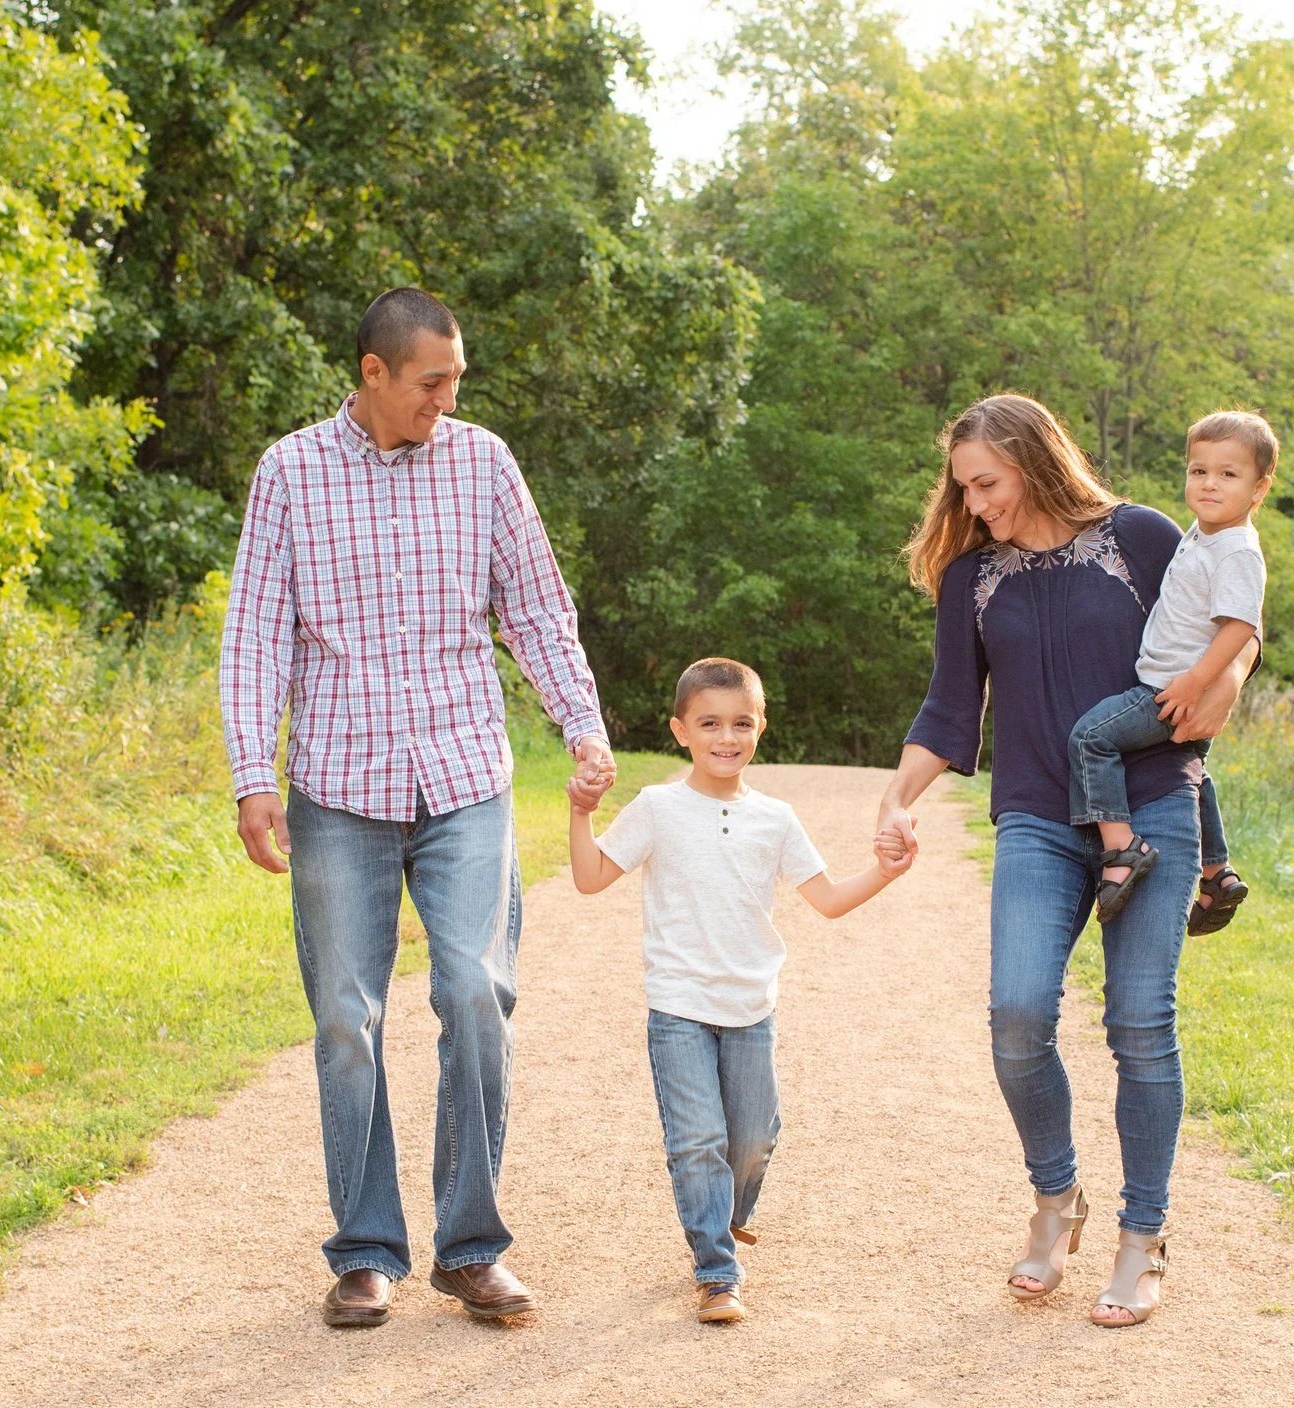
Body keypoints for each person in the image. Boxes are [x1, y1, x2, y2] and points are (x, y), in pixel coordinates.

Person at [221, 286, 616, 1330]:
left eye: (455, 382)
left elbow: (535, 604)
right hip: (339, 788)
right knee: (347, 1020)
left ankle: (471, 1247)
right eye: (430, 383)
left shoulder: (484, 463)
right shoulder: (289, 473)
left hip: (463, 777)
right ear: (374, 375)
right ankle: (364, 1251)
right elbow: (256, 634)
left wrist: (582, 721)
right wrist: (251, 774)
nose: (445, 399)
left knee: (478, 994)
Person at [872, 394, 1256, 1328]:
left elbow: (1230, 623)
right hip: (1040, 814)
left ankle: (1142, 1236)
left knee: (1138, 1022)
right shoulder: (973, 576)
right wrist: (896, 794)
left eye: (988, 484)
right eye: (962, 489)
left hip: (1154, 802)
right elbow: (951, 709)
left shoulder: (1140, 537)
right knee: (1015, 1014)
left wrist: (1230, 684)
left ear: (1035, 462)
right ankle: (1057, 1199)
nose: (976, 504)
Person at [567, 658, 912, 1323]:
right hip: (678, 1007)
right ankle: (717, 1270)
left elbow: (830, 899)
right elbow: (588, 878)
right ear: (680, 730)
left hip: (752, 1007)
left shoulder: (775, 819)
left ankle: (727, 1212)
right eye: (710, 723)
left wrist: (885, 871)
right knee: (697, 1139)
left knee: (751, 1138)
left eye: (741, 723)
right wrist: (581, 813)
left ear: (761, 727)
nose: (727, 737)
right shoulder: (658, 807)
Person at [1067, 410, 1273, 930]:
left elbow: (1239, 627)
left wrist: (1198, 682)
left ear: (1259, 488)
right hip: (1175, 683)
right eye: (1198, 470)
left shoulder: (1236, 551)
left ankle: (1121, 849)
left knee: (1091, 738)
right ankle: (1217, 873)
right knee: (1192, 774)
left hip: (1169, 689)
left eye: (1229, 474)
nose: (1209, 483)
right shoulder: (1204, 533)